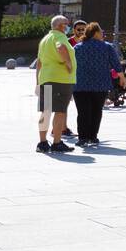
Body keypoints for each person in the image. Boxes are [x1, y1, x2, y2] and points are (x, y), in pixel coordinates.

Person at [72, 22, 118, 147]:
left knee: (82, 112)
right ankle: (93, 137)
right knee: (97, 111)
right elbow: (116, 63)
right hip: (100, 84)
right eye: (101, 31)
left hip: (80, 84)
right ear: (96, 33)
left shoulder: (77, 47)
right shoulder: (107, 47)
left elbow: (70, 64)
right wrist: (122, 75)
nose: (103, 34)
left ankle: (82, 138)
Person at [36, 15, 77, 154]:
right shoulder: (59, 37)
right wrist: (68, 63)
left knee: (45, 111)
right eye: (67, 24)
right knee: (60, 111)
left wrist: (37, 82)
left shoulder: (45, 39)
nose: (68, 26)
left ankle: (42, 143)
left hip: (46, 79)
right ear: (61, 25)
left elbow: (39, 62)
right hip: (60, 80)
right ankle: (57, 143)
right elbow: (61, 47)